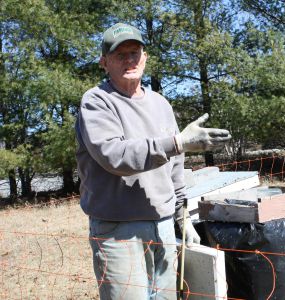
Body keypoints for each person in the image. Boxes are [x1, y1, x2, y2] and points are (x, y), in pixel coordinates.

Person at [75, 23, 231, 300]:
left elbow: (174, 166)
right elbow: (115, 156)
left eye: (134, 52)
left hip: (163, 224)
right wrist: (178, 142)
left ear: (145, 57)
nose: (129, 60)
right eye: (119, 55)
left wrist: (182, 216)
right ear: (104, 62)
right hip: (118, 230)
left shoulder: (161, 104)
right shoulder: (96, 102)